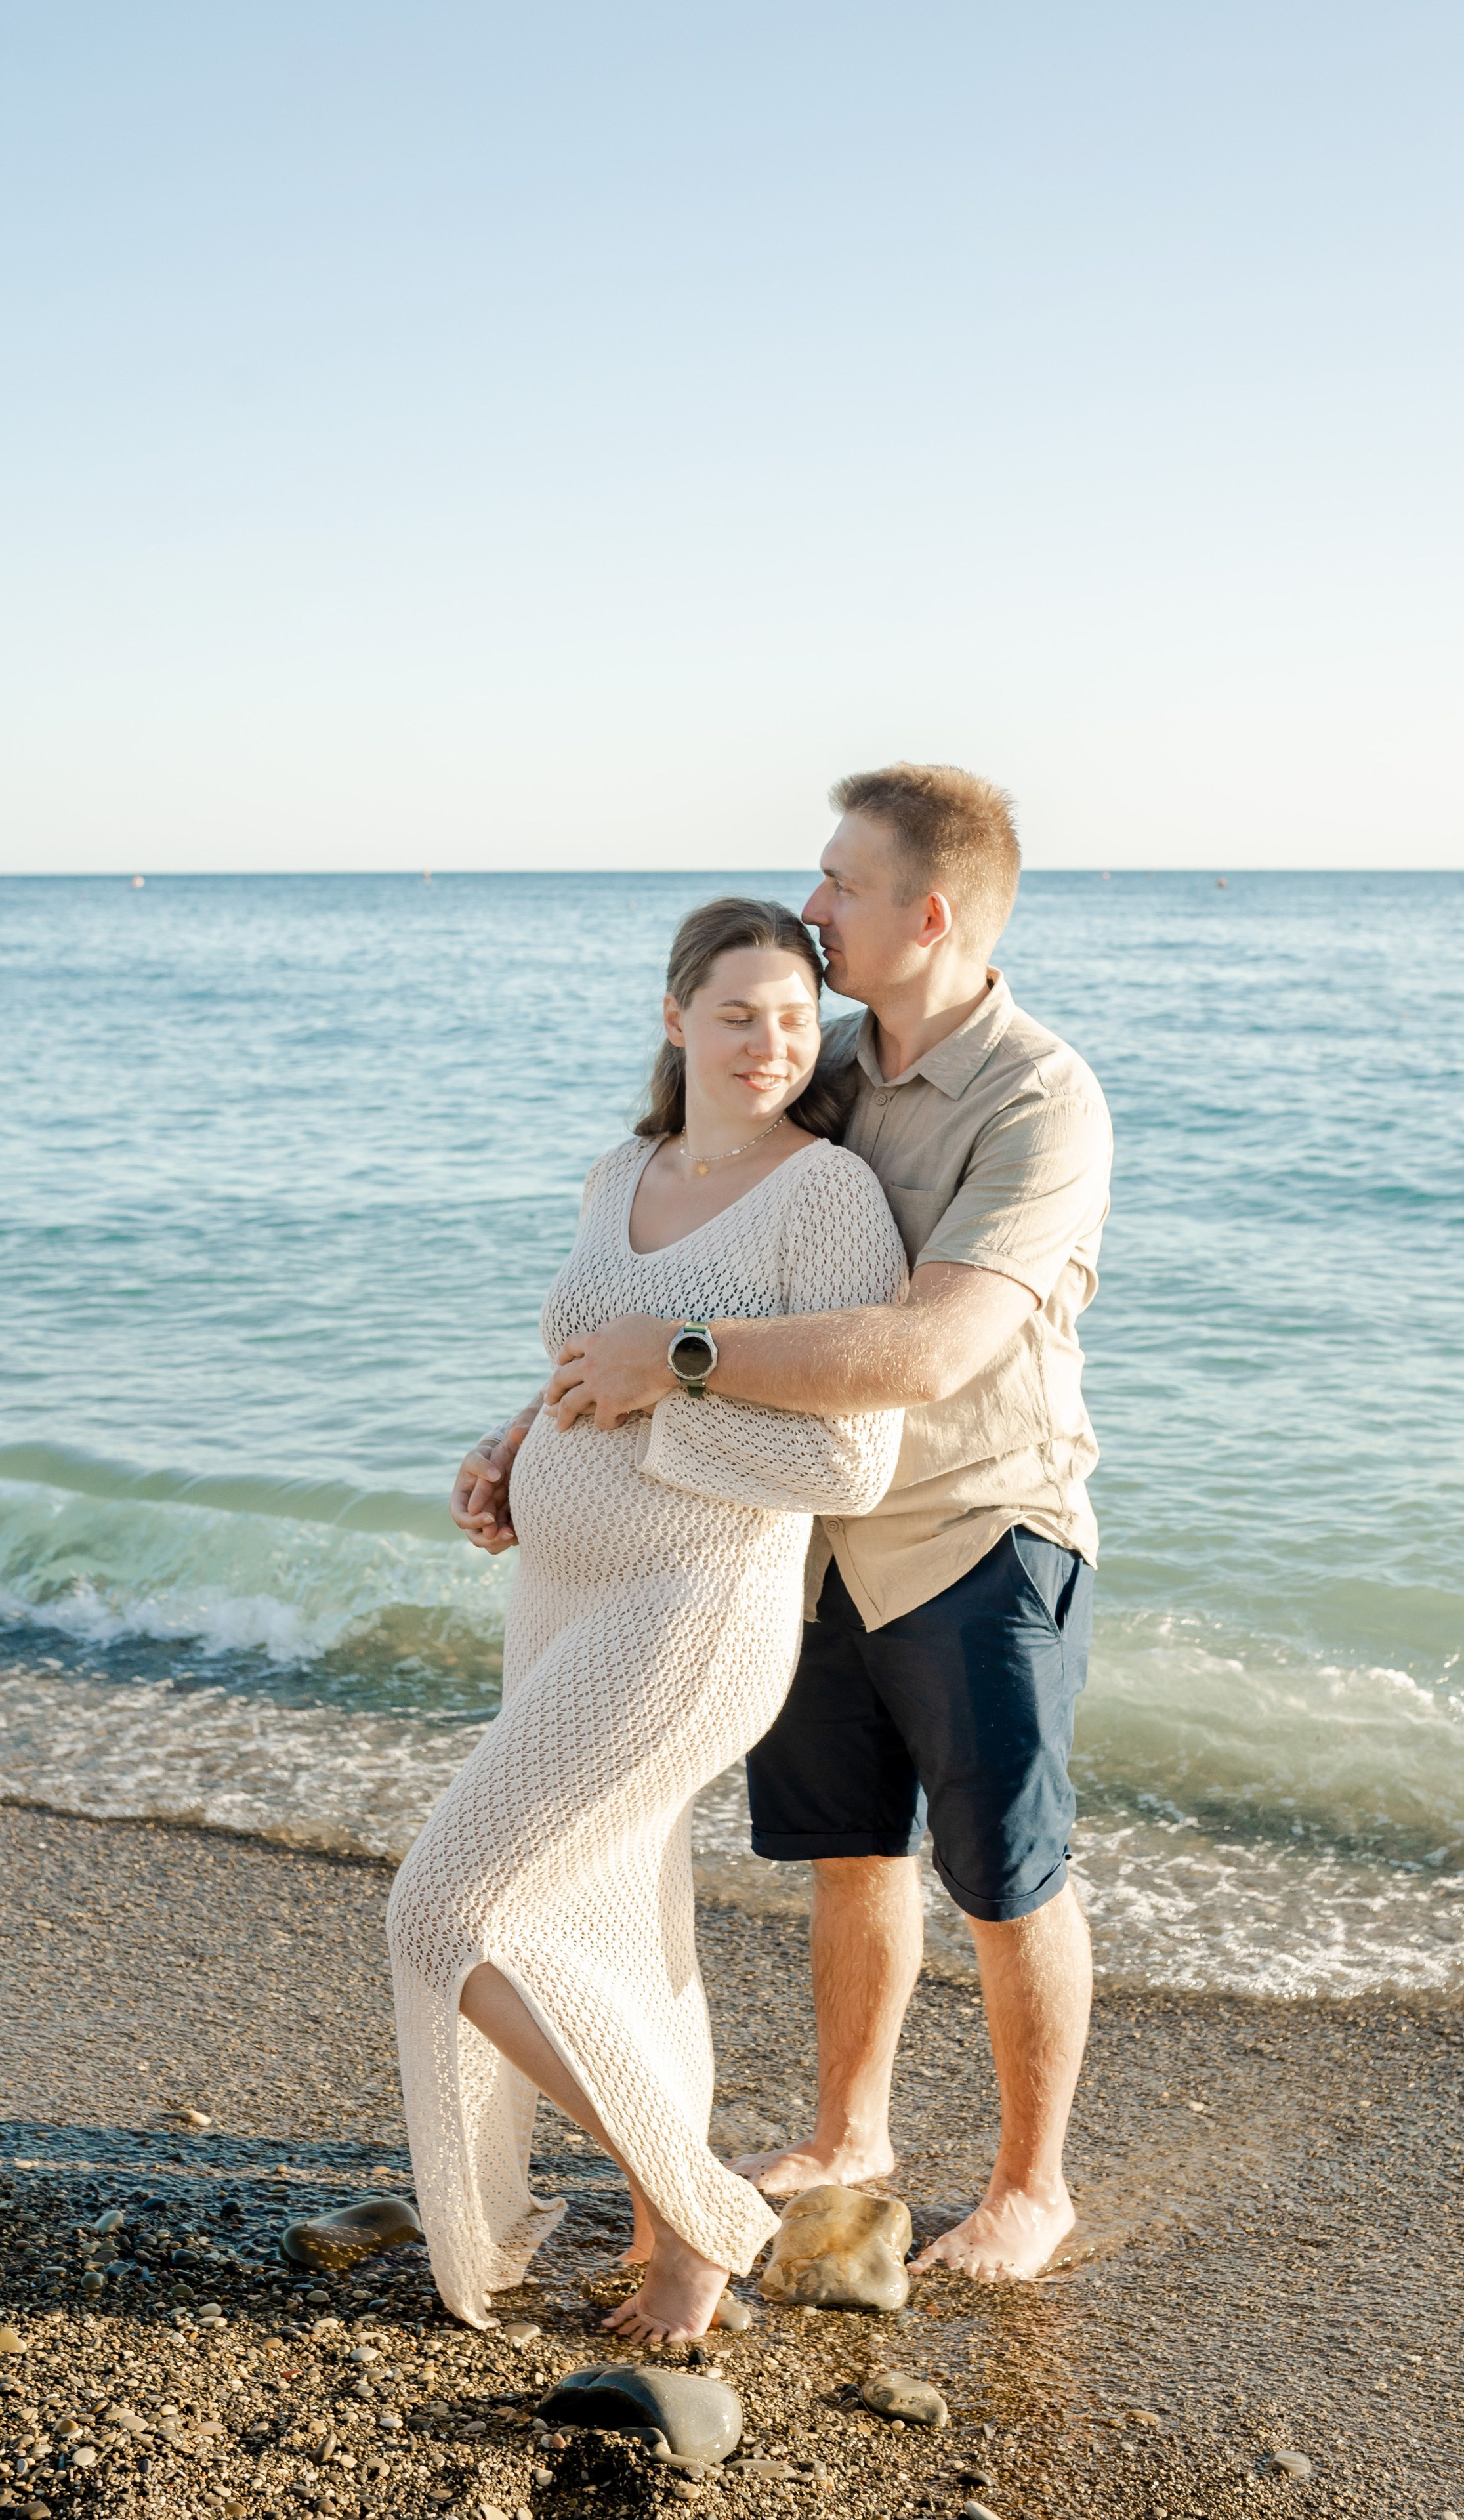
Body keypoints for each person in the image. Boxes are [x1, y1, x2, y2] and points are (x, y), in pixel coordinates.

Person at [456, 761, 1112, 2284]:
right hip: (795, 1534)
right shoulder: (821, 1066)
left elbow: (929, 1348)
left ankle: (1031, 2185)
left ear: (926, 912)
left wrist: (674, 1364)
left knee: (1004, 1871)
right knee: (844, 1847)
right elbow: (683, 1264)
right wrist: (527, 1430)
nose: (813, 911)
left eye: (842, 885)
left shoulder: (1038, 1100)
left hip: (972, 1524)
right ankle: (848, 2132)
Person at [391, 896, 906, 2341]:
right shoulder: (623, 1165)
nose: (770, 1044)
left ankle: (703, 2209)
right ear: (674, 1018)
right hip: (562, 1591)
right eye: (738, 1014)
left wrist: (655, 1399)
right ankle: (674, 2251)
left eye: (797, 1020)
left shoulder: (824, 1195)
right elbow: (580, 1357)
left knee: (444, 1910)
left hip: (693, 1609)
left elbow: (850, 1457)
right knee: (617, 1927)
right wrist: (512, 1447)